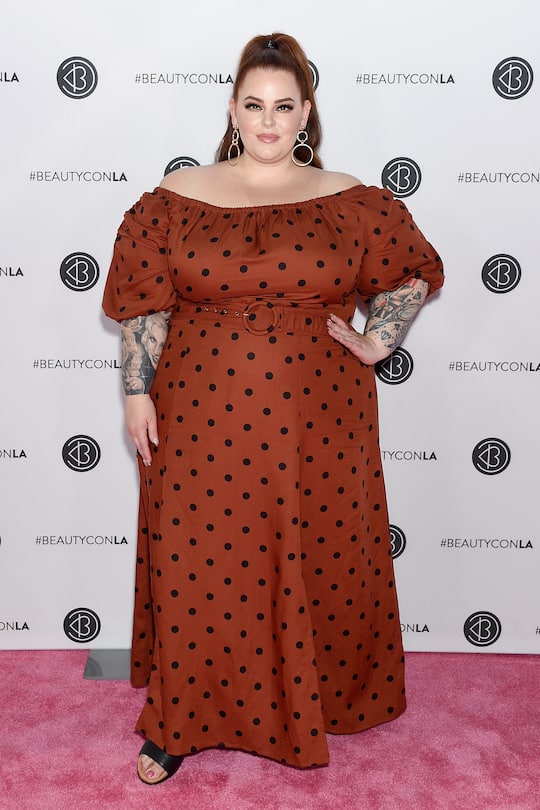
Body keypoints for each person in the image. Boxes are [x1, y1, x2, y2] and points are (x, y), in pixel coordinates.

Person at [102, 32, 444, 785]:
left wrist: (377, 341)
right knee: (198, 563)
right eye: (254, 105)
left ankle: (311, 700)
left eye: (283, 106)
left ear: (306, 112)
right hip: (197, 414)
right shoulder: (178, 198)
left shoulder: (351, 199)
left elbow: (414, 272)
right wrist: (134, 393)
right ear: (232, 108)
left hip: (318, 420)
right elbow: (143, 308)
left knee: (315, 553)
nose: (268, 121)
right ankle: (179, 722)